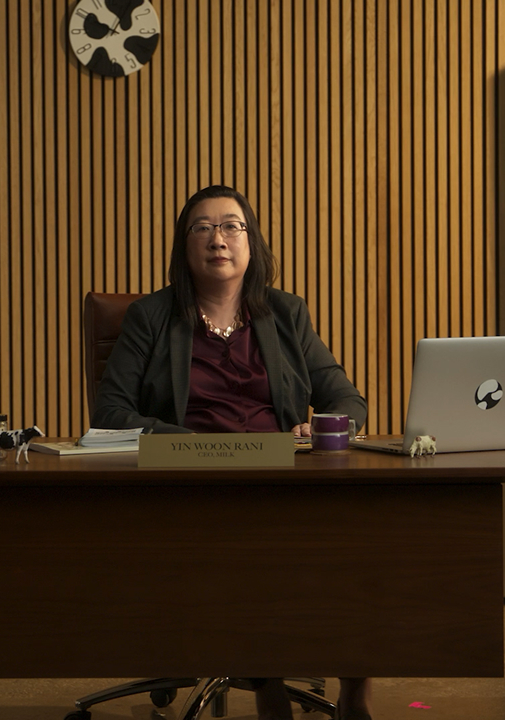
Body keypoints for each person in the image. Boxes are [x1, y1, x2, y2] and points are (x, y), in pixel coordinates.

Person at [92, 184, 371, 720]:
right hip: (193, 483)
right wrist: (195, 446)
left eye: (232, 226)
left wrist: (324, 428)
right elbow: (111, 414)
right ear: (184, 245)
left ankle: (356, 691)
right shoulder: (152, 317)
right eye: (203, 227)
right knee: (257, 543)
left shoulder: (286, 314)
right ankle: (269, 688)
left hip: (282, 476)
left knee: (356, 534)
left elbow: (346, 398)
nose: (218, 238)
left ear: (251, 243)